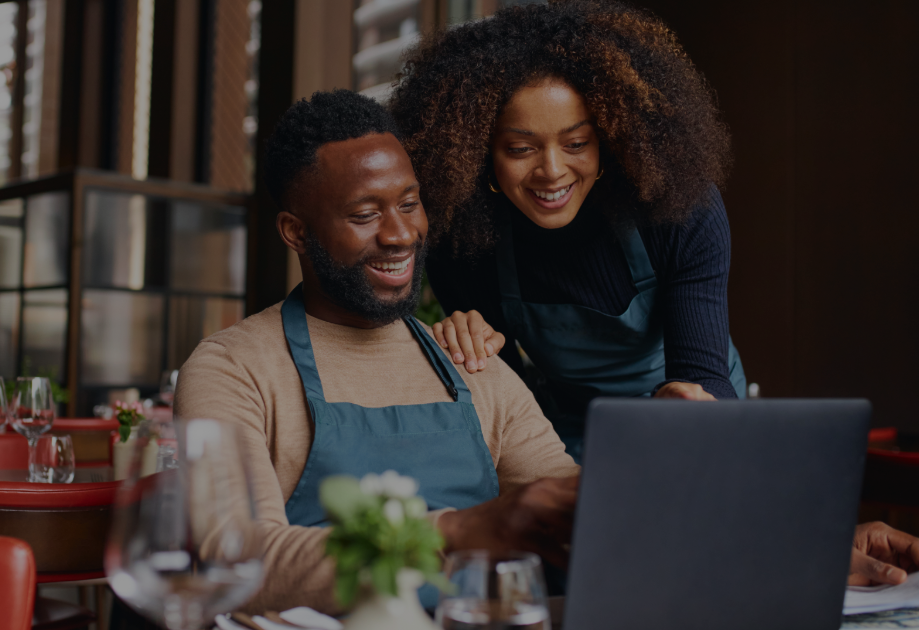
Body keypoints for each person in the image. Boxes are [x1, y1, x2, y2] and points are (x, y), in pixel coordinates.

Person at [173, 90, 919, 615]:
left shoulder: (469, 361)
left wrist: (801, 546)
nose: (401, 235)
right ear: (295, 232)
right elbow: (237, 557)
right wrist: (466, 530)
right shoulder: (234, 367)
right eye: (365, 215)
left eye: (409, 203)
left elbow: (600, 516)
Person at [388, 1, 744, 459]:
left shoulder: (678, 210)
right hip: (570, 429)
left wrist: (692, 403)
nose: (552, 171)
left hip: (693, 418)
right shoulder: (463, 241)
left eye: (576, 143)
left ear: (610, 139)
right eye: (520, 148)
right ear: (479, 155)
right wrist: (468, 347)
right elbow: (507, 403)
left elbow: (704, 373)